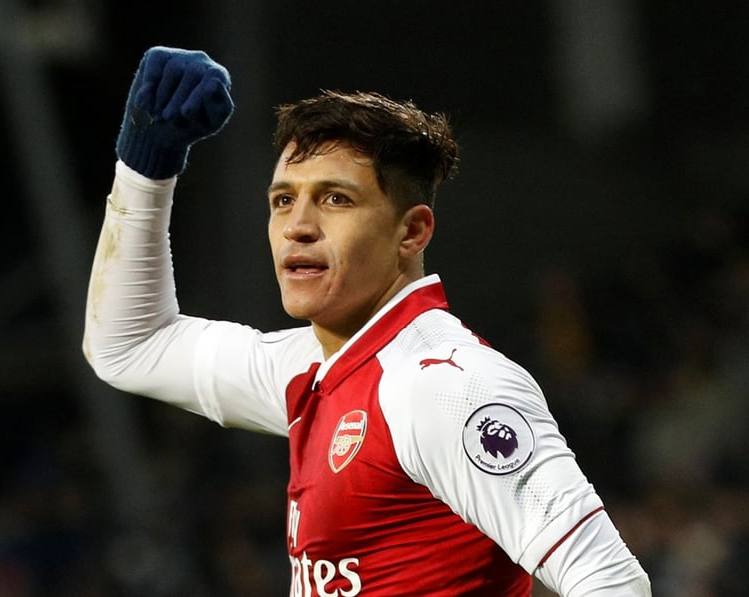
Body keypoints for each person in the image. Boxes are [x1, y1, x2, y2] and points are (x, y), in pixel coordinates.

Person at [83, 46, 651, 596]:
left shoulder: (446, 385)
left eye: (335, 200)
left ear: (411, 232)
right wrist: (144, 165)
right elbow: (133, 346)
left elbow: (609, 580)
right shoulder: (318, 367)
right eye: (283, 200)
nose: (298, 226)